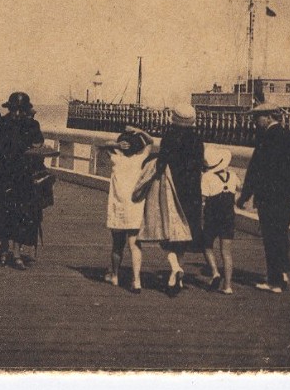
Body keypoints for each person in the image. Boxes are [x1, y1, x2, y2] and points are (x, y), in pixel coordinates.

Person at [237, 105, 290, 294]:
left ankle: (275, 281)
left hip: (269, 197)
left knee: (271, 237)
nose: (254, 121)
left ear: (268, 117)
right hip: (286, 197)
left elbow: (255, 170)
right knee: (281, 235)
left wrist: (244, 196)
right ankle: (282, 272)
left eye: (257, 117)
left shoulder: (265, 138)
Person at [136, 104, 202, 296]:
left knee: (168, 232)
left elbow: (162, 162)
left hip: (172, 188)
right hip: (192, 191)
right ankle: (176, 276)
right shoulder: (197, 139)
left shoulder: (170, 137)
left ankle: (174, 268)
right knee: (183, 234)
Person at [0, 92, 46, 269]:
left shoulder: (32, 125)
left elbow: (38, 144)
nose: (18, 114)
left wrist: (34, 149)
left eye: (21, 110)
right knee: (2, 212)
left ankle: (17, 253)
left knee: (22, 214)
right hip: (2, 174)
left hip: (23, 175)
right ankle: (4, 249)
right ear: (9, 109)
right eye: (14, 110)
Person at [103, 127, 154, 293]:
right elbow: (151, 142)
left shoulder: (116, 159)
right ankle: (136, 280)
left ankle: (115, 276)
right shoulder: (140, 160)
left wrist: (118, 144)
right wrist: (139, 131)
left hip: (118, 208)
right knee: (135, 245)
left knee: (117, 245)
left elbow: (103, 145)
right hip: (135, 208)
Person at [202, 146, 240, 295]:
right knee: (226, 252)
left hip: (212, 216)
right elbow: (239, 186)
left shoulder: (207, 177)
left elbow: (203, 197)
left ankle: (215, 272)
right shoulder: (233, 175)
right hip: (228, 216)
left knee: (206, 245)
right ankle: (228, 286)